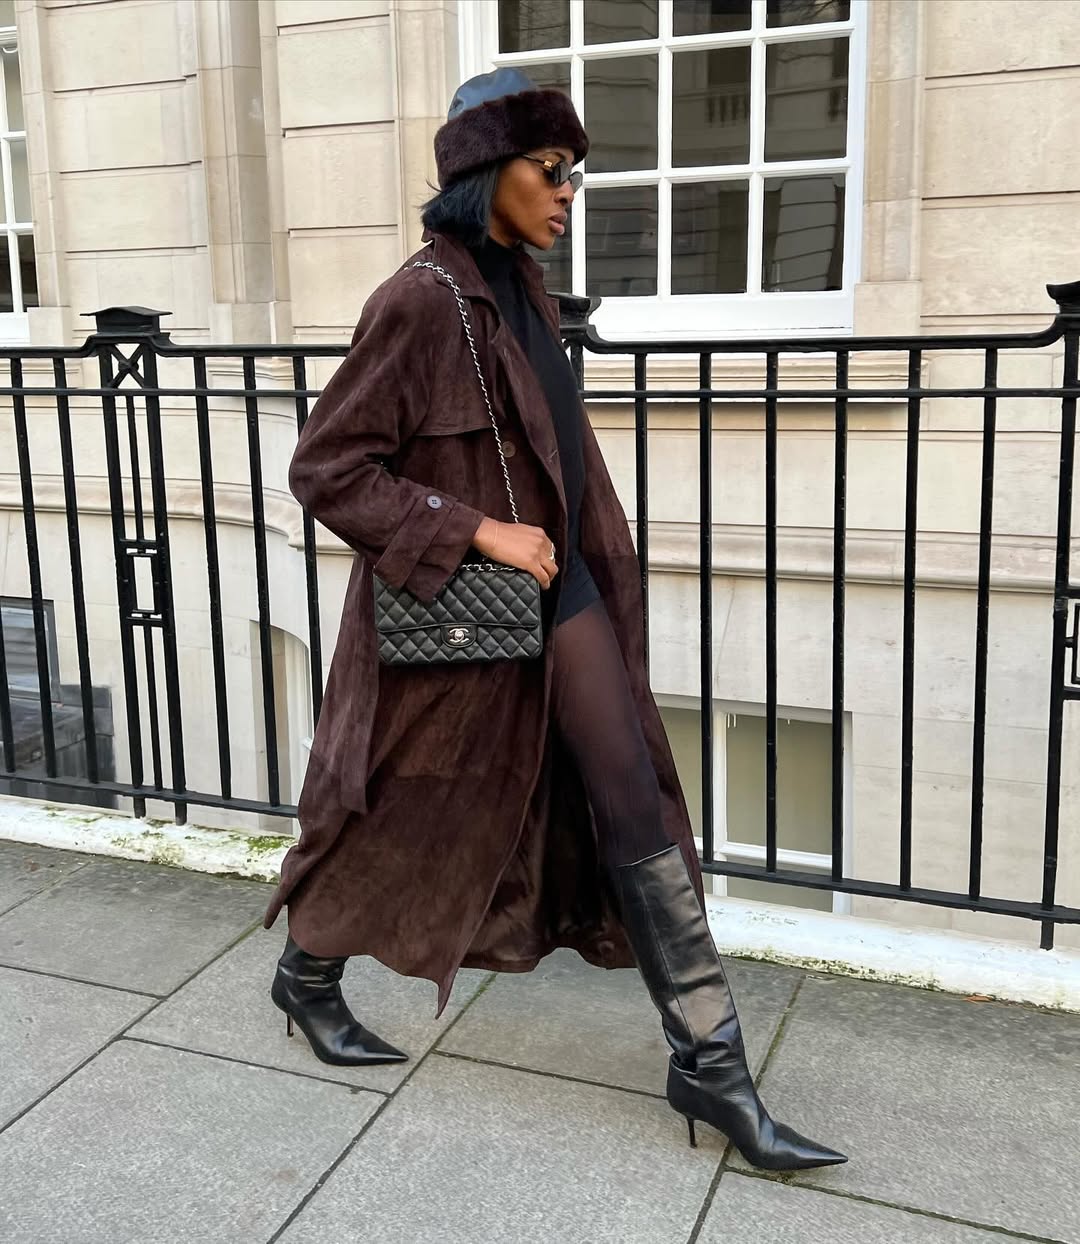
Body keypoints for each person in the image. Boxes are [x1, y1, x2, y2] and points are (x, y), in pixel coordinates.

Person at [263, 69, 845, 1172]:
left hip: (564, 586)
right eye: (553, 170)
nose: (572, 191)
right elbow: (325, 466)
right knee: (399, 811)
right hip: (469, 610)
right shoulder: (421, 297)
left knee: (635, 795)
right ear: (490, 174)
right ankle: (305, 974)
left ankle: (709, 1059)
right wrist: (478, 528)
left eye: (576, 170)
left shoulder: (517, 285)